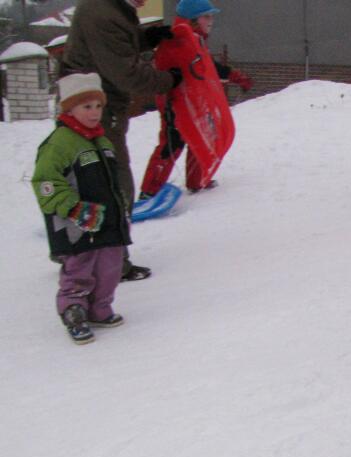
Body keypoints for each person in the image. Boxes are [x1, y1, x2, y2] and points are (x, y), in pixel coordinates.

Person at [60, 0, 180, 282]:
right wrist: (169, 80)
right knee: (112, 184)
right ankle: (110, 263)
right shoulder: (103, 13)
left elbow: (112, 48)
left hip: (90, 106)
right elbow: (126, 74)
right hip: (93, 112)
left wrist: (145, 38)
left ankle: (76, 254)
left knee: (88, 182)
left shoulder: (109, 7)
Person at [32, 74, 130, 344]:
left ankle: (99, 308)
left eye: (98, 106)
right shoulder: (60, 143)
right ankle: (74, 311)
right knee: (79, 269)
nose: (94, 113)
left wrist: (121, 209)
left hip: (108, 222)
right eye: (86, 107)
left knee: (110, 267)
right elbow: (45, 182)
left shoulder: (102, 142)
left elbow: (112, 181)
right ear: (69, 108)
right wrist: (73, 207)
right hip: (76, 224)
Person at [138, 0, 253, 200]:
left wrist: (234, 75)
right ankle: (149, 191)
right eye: (206, 16)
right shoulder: (177, 39)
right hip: (175, 101)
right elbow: (172, 68)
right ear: (192, 19)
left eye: (211, 16)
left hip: (194, 99)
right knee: (171, 144)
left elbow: (207, 66)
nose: (211, 21)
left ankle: (197, 181)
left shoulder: (194, 39)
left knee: (201, 134)